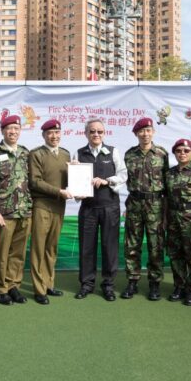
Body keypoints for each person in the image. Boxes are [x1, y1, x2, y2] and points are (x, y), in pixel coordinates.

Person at [74, 118, 127, 301]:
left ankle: (108, 285)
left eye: (100, 132)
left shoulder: (113, 151)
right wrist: (76, 191)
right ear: (86, 133)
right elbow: (75, 182)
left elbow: (123, 174)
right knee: (86, 248)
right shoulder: (79, 154)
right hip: (88, 208)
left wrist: (107, 181)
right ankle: (87, 284)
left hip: (110, 207)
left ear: (104, 133)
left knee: (109, 247)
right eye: (92, 131)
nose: (96, 134)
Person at [0, 115, 32, 306]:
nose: (13, 132)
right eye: (9, 128)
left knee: (18, 253)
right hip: (4, 212)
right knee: (2, 253)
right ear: (2, 130)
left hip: (24, 211)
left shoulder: (25, 152)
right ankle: (0, 288)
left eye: (16, 128)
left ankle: (13, 285)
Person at [122, 118, 168, 301]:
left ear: (153, 132)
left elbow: (167, 183)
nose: (145, 134)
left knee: (155, 246)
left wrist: (165, 211)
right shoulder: (129, 155)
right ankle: (132, 281)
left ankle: (154, 283)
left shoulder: (162, 154)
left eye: (148, 130)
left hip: (155, 205)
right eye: (141, 131)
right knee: (132, 245)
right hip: (134, 204)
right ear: (136, 134)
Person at [29, 119, 72, 305]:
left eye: (57, 132)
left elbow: (70, 180)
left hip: (59, 206)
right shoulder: (36, 154)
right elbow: (35, 182)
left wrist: (77, 171)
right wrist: (58, 192)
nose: (54, 136)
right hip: (42, 205)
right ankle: (39, 290)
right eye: (50, 133)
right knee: (39, 247)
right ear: (44, 135)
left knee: (51, 247)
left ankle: (48, 284)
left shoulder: (66, 154)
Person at [166, 139, 191, 306]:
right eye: (178, 151)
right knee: (176, 255)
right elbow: (166, 198)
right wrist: (164, 218)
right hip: (173, 218)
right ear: (175, 153)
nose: (182, 153)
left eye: (186, 150)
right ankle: (180, 286)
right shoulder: (169, 173)